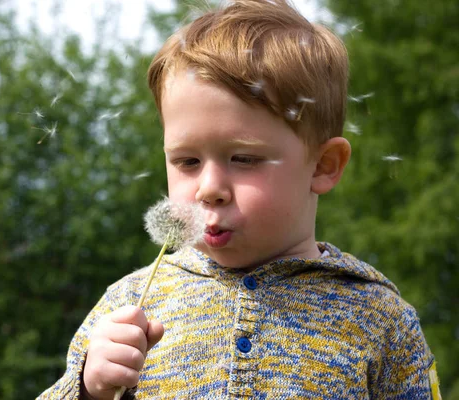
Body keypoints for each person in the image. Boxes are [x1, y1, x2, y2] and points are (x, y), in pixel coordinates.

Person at [37, 0, 439, 398]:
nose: (208, 188)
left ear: (323, 165)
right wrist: (90, 390)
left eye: (244, 159)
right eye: (187, 161)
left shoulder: (378, 316)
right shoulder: (128, 306)